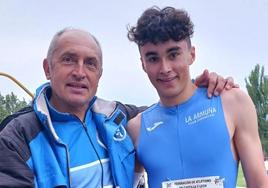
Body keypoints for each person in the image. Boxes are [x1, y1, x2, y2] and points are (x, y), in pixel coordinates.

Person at [0, 28, 234, 188]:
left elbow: (171, 110)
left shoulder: (118, 119)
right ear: (47, 68)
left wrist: (202, 89)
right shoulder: (16, 139)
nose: (80, 72)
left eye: (90, 63)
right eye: (69, 59)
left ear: (99, 74)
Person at [127, 6, 268, 188]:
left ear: (191, 54)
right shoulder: (136, 129)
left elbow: (259, 184)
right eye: (153, 58)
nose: (165, 68)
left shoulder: (233, 103)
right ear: (143, 64)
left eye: (173, 54)